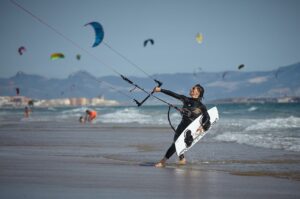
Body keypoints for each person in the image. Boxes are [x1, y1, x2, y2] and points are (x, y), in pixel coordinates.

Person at [153, 84, 211, 168]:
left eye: (193, 88)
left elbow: (207, 117)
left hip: (190, 129)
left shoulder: (201, 106)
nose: (191, 89)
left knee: (176, 144)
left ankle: (163, 161)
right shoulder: (186, 99)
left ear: (198, 92)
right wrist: (160, 90)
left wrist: (202, 126)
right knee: (176, 142)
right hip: (181, 125)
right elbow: (173, 94)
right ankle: (182, 159)